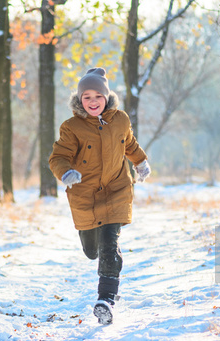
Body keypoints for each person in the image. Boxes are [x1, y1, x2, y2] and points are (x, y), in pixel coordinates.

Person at [49, 67, 151, 325]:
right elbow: (58, 156)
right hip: (85, 195)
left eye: (98, 96)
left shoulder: (121, 120)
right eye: (87, 97)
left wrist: (140, 163)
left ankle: (106, 299)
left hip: (117, 189)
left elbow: (130, 144)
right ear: (80, 100)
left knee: (109, 242)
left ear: (106, 97)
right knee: (92, 249)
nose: (93, 102)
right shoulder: (72, 127)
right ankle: (101, 255)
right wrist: (66, 172)